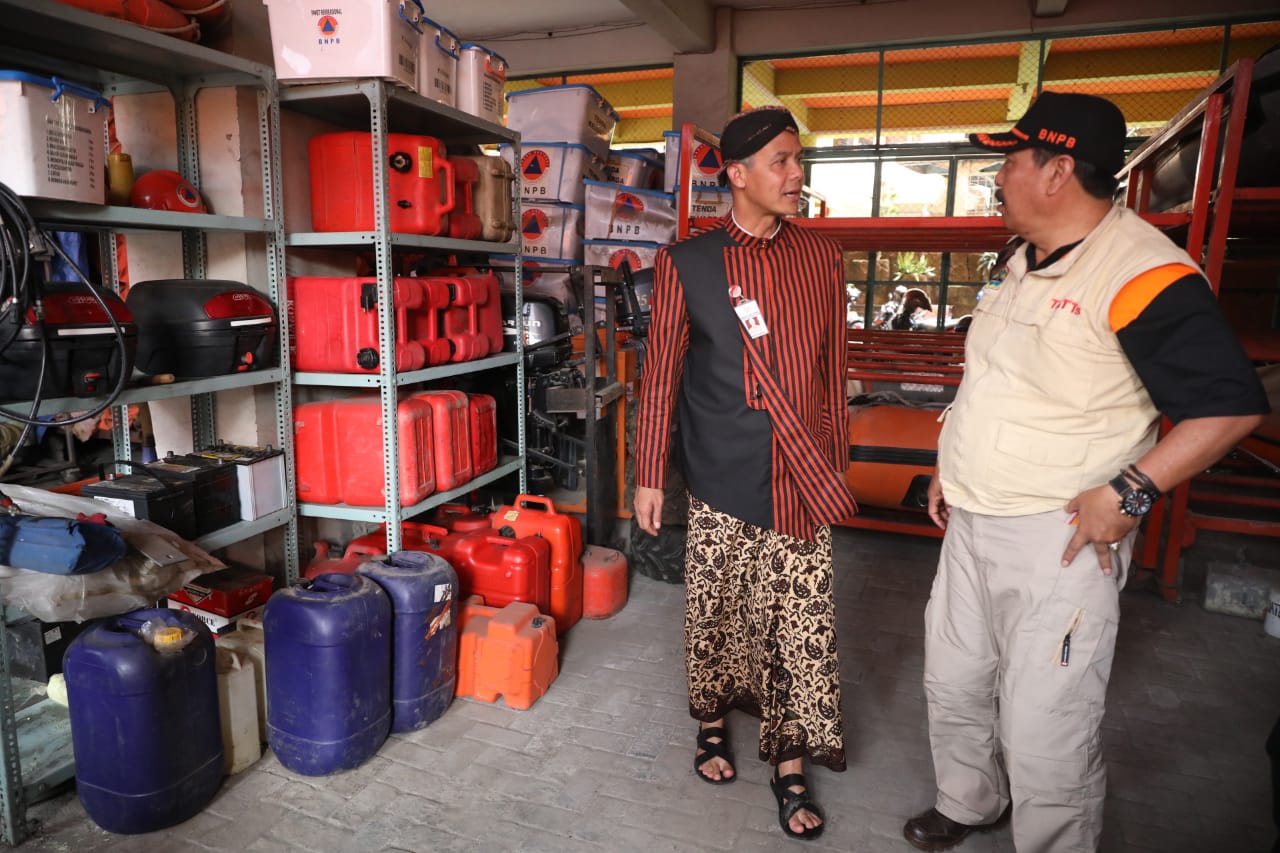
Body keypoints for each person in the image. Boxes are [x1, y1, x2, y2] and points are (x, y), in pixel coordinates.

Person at [901, 91, 1270, 852]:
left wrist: (1132, 490)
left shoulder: (1145, 274)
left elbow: (1231, 407)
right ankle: (969, 800)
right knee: (954, 682)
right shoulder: (1018, 257)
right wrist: (950, 459)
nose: (996, 177)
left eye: (1009, 161)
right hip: (972, 519)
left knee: (1045, 724)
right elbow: (995, 373)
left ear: (1057, 169)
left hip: (1059, 537)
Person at [633, 105, 855, 842]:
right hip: (721, 471)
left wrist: (833, 463)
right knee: (721, 614)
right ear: (737, 174)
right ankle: (711, 723)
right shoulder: (686, 264)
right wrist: (649, 475)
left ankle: (789, 762)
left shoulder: (821, 259)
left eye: (798, 160)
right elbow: (661, 377)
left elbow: (833, 374)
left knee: (797, 623)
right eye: (782, 162)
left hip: (800, 477)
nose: (797, 175)